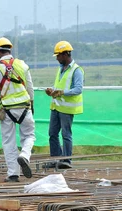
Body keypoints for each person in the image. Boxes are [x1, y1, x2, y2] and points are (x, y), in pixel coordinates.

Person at [0, 37, 35, 182]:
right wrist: (31, 105)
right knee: (29, 136)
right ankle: (24, 156)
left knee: (9, 142)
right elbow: (30, 87)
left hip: (8, 110)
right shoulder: (22, 64)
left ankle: (13, 174)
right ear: (10, 49)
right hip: (24, 107)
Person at [45, 40, 84, 169]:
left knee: (66, 134)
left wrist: (62, 92)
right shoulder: (61, 69)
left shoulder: (76, 70)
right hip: (56, 106)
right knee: (52, 133)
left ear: (66, 54)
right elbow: (58, 85)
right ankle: (56, 159)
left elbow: (78, 89)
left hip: (67, 108)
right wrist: (52, 89)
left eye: (58, 55)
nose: (57, 58)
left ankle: (66, 161)